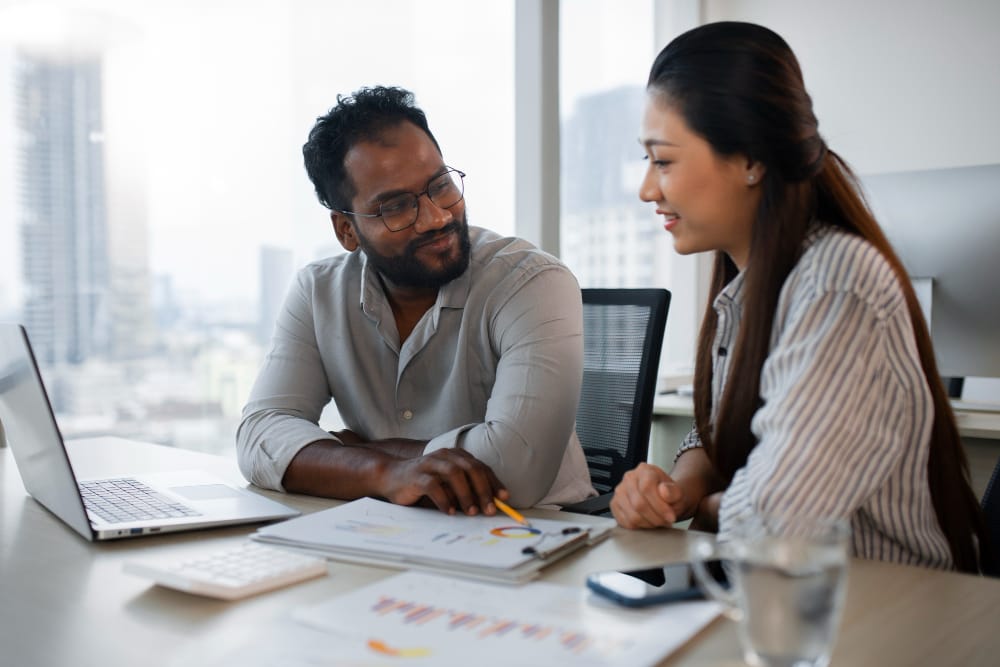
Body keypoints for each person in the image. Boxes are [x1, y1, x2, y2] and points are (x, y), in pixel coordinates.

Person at [611, 22, 989, 573]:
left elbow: (777, 520)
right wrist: (682, 487)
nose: (648, 188)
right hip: (786, 596)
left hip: (888, 609)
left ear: (751, 161)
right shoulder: (750, 285)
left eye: (662, 160)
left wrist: (713, 504)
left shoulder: (838, 285)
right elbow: (724, 421)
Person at [237, 86, 594, 515]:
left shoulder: (532, 282)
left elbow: (513, 470)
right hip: (392, 527)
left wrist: (360, 452)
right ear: (346, 230)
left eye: (440, 186)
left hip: (540, 532)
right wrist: (381, 474)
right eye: (396, 207)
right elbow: (258, 436)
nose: (437, 217)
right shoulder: (318, 292)